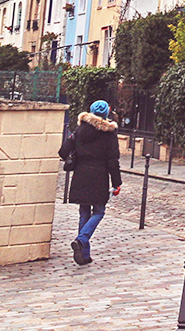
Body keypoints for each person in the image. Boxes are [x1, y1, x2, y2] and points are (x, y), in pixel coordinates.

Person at [59, 99, 121, 265]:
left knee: (84, 212)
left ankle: (83, 255)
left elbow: (63, 151)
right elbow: (113, 160)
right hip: (99, 176)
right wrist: (117, 182)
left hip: (81, 174)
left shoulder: (80, 130)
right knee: (99, 211)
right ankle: (81, 240)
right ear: (105, 114)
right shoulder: (109, 133)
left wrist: (77, 154)